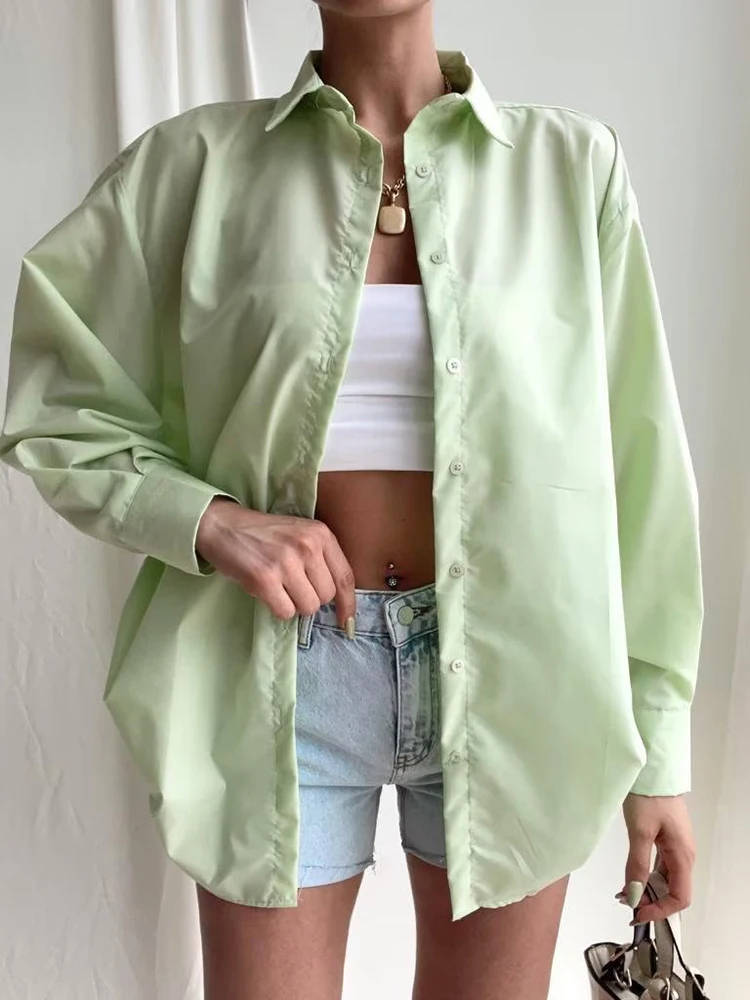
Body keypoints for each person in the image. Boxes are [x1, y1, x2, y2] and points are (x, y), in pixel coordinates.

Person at [0, 0, 703, 998]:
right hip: (274, 672)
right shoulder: (190, 169)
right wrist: (211, 521)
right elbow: (55, 405)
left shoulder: (573, 169)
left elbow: (643, 471)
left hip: (517, 672)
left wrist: (659, 751)